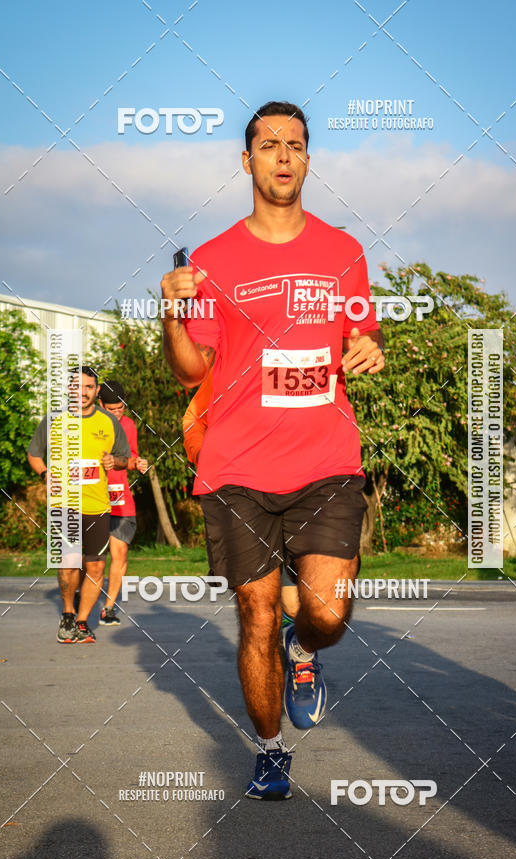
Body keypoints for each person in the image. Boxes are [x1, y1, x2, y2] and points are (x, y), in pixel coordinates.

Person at [160, 100, 385, 800]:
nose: (283, 155)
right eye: (268, 144)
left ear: (308, 160)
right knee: (255, 613)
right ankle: (270, 749)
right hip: (237, 468)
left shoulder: (344, 253)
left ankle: (305, 648)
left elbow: (359, 338)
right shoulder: (214, 261)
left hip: (326, 461)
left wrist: (368, 347)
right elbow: (192, 369)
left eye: (295, 144)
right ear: (248, 159)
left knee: (326, 611)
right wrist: (171, 310)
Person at [182, 370, 300, 625]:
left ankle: (297, 648)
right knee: (258, 601)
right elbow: (193, 418)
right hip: (240, 493)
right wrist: (202, 455)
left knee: (295, 603)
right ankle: (278, 650)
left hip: (294, 491)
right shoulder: (228, 369)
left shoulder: (292, 367)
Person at [27, 366, 130, 643]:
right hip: (65, 506)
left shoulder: (109, 422)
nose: (82, 392)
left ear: (96, 391)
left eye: (88, 387)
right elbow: (34, 454)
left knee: (95, 567)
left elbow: (123, 457)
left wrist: (114, 462)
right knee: (69, 564)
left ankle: (82, 621)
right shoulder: (53, 421)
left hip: (98, 507)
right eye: (77, 387)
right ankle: (68, 613)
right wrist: (46, 474)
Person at [98, 380, 148, 625]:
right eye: (112, 409)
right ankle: (80, 592)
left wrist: (138, 463)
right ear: (100, 404)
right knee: (91, 557)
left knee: (120, 551)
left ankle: (108, 608)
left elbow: (131, 456)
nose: (118, 413)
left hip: (120, 496)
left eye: (121, 408)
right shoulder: (89, 424)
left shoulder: (128, 425)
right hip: (92, 496)